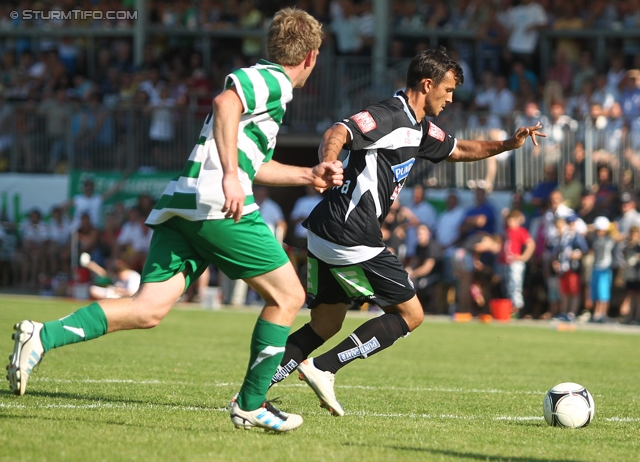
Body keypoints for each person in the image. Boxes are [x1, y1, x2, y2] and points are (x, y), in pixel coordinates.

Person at [6, 8, 340, 434]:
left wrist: (306, 175)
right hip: (217, 202)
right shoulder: (271, 78)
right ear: (310, 57)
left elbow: (251, 158)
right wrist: (233, 180)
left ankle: (41, 336)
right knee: (288, 296)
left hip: (186, 203)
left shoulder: (268, 89)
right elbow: (224, 102)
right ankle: (251, 404)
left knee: (147, 309)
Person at [268, 48, 544, 415]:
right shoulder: (389, 115)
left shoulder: (420, 127)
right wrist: (329, 162)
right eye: (446, 90)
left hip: (327, 230)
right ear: (427, 84)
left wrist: (508, 144)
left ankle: (255, 388)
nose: (450, 99)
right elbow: (339, 130)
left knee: (326, 322)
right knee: (411, 315)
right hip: (352, 233)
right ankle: (323, 367)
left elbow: (461, 148)